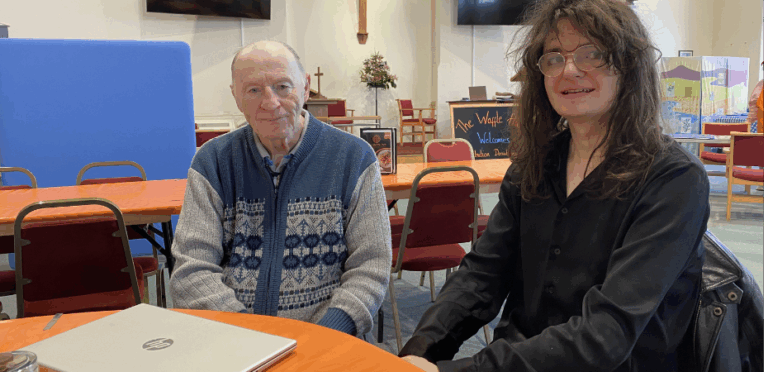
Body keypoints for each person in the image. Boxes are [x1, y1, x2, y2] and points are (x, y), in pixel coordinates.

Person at [400, 0, 717, 370]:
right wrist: (417, 353)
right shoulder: (533, 167)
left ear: (629, 66)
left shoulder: (674, 180)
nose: (569, 70)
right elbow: (481, 276)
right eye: (553, 57)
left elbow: (607, 334)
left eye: (592, 54)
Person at [169, 41, 392, 338]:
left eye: (283, 87)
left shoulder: (354, 158)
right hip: (232, 339)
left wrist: (327, 334)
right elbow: (191, 269)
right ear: (236, 96)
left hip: (329, 340)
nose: (270, 103)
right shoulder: (213, 161)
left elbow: (371, 265)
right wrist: (248, 335)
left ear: (306, 87)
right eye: (253, 90)